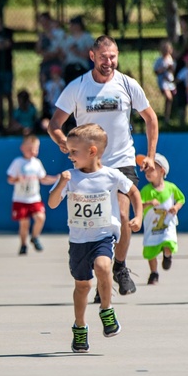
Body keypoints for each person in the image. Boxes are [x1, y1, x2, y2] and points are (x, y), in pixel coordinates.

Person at [48, 35, 159, 298]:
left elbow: (150, 118)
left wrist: (151, 155)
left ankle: (118, 267)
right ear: (92, 56)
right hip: (90, 164)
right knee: (95, 221)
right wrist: (64, 142)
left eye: (113, 57)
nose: (108, 62)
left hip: (122, 161)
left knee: (121, 217)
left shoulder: (128, 85)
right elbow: (54, 124)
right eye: (103, 57)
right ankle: (103, 275)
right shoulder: (77, 87)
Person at [47, 123, 143, 353]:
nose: (69, 156)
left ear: (92, 151)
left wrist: (138, 216)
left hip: (103, 236)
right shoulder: (71, 177)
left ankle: (106, 310)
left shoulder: (111, 175)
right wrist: (61, 182)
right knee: (82, 286)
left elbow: (133, 192)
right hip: (79, 240)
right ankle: (80, 327)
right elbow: (52, 203)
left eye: (73, 152)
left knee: (103, 266)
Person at [138, 153, 185, 285]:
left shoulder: (170, 187)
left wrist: (176, 207)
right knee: (150, 250)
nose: (147, 171)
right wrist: (148, 203)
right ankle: (154, 273)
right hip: (152, 226)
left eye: (151, 168)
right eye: (146, 169)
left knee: (168, 241)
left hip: (167, 224)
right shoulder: (146, 190)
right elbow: (138, 205)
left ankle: (167, 256)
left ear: (162, 171)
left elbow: (181, 199)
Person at [7, 135, 57, 255]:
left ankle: (35, 236)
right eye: (29, 149)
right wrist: (17, 179)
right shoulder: (18, 162)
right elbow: (10, 179)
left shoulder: (37, 163)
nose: (32, 152)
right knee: (24, 223)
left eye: (35, 149)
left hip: (34, 198)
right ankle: (23, 244)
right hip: (20, 198)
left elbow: (42, 178)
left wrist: (56, 179)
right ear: (22, 148)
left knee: (40, 217)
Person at [153, 40, 177, 120]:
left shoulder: (171, 59)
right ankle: (166, 117)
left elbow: (173, 71)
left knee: (171, 99)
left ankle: (168, 115)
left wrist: (171, 68)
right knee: (169, 97)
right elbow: (156, 71)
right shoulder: (159, 60)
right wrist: (164, 68)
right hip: (163, 82)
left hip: (170, 82)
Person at [39, 64, 66, 133]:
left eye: (56, 73)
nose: (54, 75)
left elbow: (63, 91)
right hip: (50, 106)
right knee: (46, 123)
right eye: (53, 73)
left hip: (59, 106)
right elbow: (45, 92)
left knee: (60, 122)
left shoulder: (61, 82)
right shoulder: (48, 84)